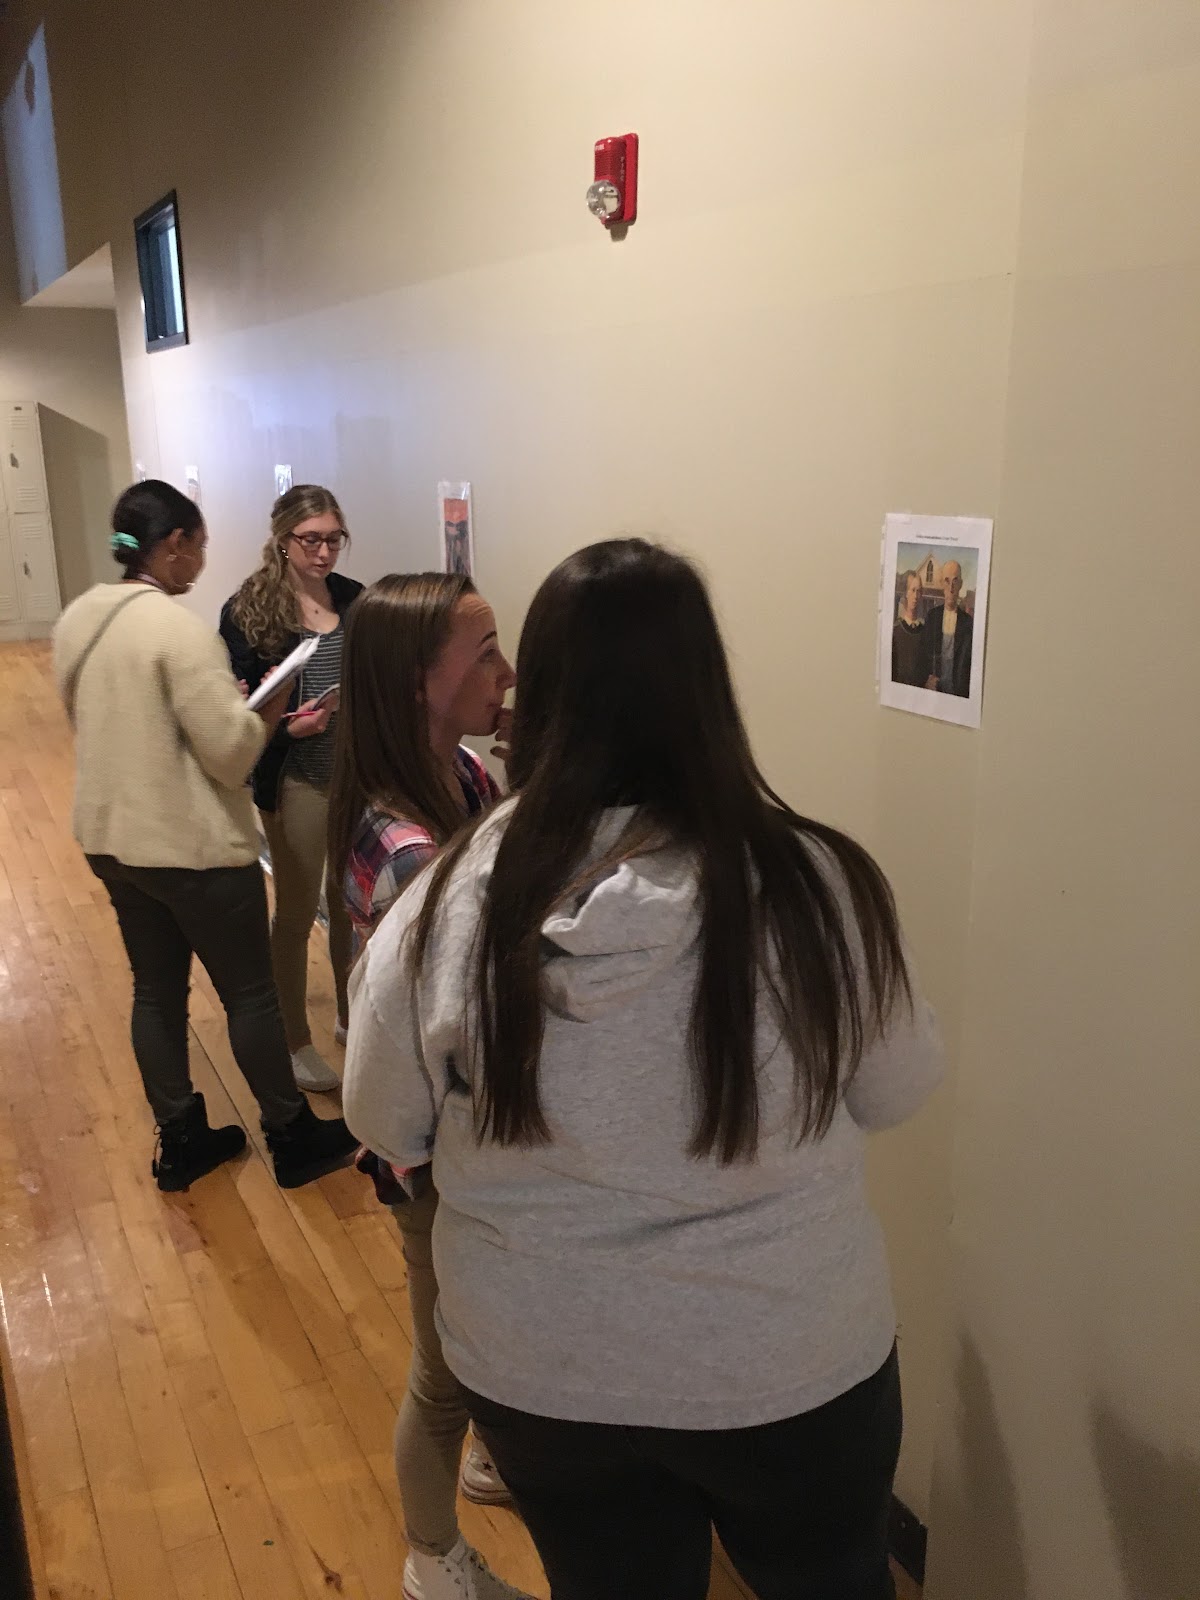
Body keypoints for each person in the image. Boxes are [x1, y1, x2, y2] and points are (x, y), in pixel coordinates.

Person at [343, 539, 945, 1600]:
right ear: (707, 690)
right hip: (789, 1355)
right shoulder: (816, 885)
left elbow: (383, 1118)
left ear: (543, 692)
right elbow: (897, 1087)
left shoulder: (449, 902)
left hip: (542, 1369)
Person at [52, 480, 359, 1192]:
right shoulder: (177, 631)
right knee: (250, 995)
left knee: (155, 992)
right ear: (175, 545)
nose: (201, 560)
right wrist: (271, 710)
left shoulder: (80, 618)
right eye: (198, 544)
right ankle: (291, 1134)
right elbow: (231, 754)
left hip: (110, 840)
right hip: (190, 847)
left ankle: (182, 1139)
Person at [328, 572, 528, 1600]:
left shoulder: (460, 774)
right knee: (443, 1370)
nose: (508, 672)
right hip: (429, 1146)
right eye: (486, 652)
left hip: (462, 1130)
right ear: (418, 681)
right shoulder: (405, 845)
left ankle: (492, 1460)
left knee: (485, 1331)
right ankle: (431, 1559)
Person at [220, 486, 362, 1093]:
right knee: (300, 910)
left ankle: (352, 1018)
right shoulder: (248, 610)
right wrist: (286, 728)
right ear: (283, 539)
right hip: (295, 775)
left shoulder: (355, 599)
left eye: (333, 539)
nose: (324, 552)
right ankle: (294, 1040)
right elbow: (239, 711)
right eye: (311, 540)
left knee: (351, 903)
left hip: (355, 775)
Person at [922, 559, 973, 697]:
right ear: (941, 583)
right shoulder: (932, 617)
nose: (951, 588)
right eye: (947, 581)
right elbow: (923, 655)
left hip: (958, 694)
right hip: (934, 692)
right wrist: (927, 679)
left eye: (955, 581)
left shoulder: (968, 623)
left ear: (961, 584)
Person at [891, 569, 926, 686]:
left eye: (919, 591)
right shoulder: (895, 631)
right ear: (906, 593)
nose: (915, 596)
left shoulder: (925, 632)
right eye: (913, 590)